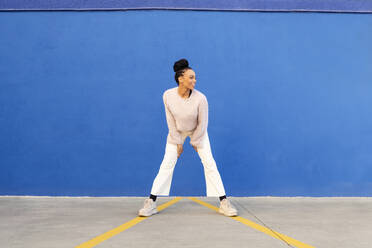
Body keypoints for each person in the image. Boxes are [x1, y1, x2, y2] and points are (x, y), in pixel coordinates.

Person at [138, 58, 238, 217]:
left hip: (198, 131)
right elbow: (170, 121)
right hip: (177, 131)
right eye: (191, 77)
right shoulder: (167, 95)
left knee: (209, 163)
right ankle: (151, 202)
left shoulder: (201, 98)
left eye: (195, 77)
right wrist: (177, 142)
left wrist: (195, 141)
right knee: (167, 164)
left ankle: (224, 202)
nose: (194, 80)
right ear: (180, 78)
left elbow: (203, 123)